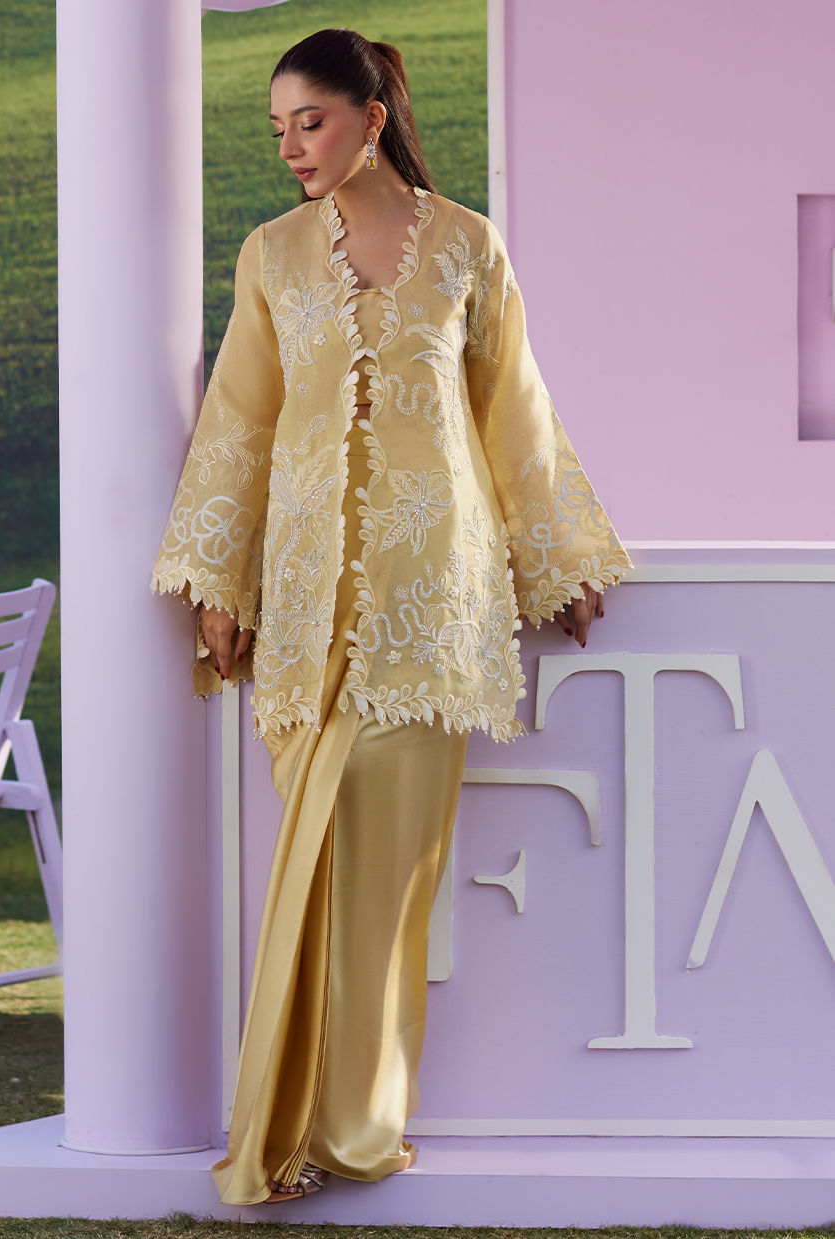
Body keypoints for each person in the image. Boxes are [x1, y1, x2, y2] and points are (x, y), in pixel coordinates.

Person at [152, 27, 630, 1205]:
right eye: (278, 128)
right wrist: (220, 581)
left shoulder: (467, 245)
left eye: (308, 121)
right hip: (305, 603)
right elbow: (240, 419)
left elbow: (514, 409)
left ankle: (355, 1130)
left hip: (432, 601)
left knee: (388, 879)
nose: (290, 147)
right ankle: (288, 1129)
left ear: (371, 116)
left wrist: (561, 557)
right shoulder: (271, 257)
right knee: (314, 861)